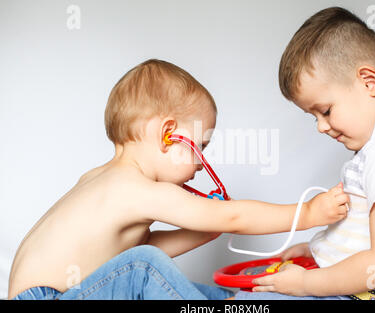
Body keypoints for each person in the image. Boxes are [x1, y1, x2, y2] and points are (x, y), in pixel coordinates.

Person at [8, 59, 349, 300]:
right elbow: (234, 216)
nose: (201, 165)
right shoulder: (134, 188)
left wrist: (205, 229)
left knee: (202, 289)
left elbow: (140, 247)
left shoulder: (101, 180)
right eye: (199, 147)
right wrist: (308, 213)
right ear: (168, 134)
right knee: (143, 267)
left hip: (73, 292)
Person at [235, 7, 375, 300]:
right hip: (362, 290)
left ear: (369, 82)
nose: (321, 127)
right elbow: (362, 236)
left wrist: (308, 283)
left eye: (325, 111)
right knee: (251, 293)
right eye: (314, 117)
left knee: (254, 301)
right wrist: (319, 249)